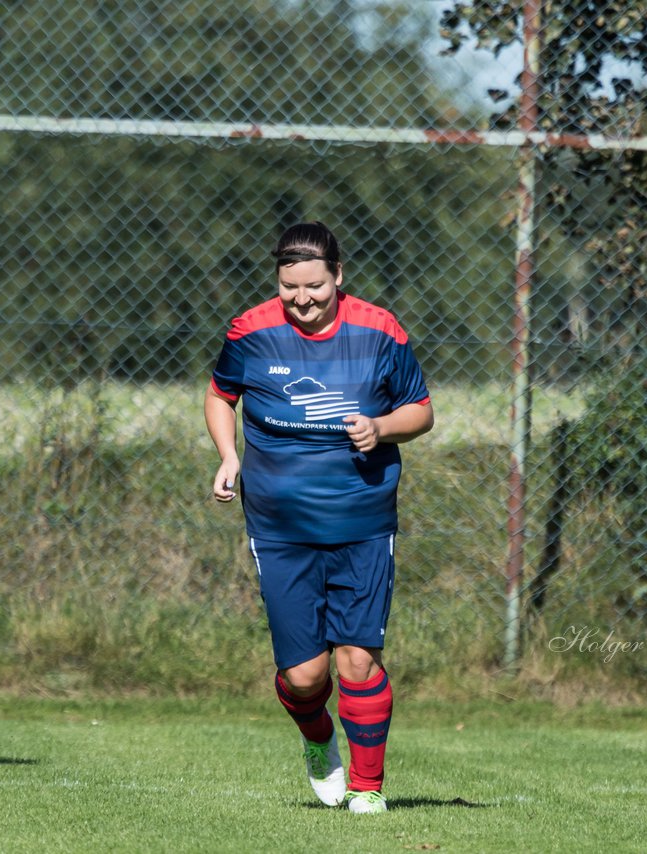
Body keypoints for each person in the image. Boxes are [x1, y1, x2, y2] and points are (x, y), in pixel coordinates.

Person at [205, 221, 433, 814]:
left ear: (338, 276)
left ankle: (367, 789)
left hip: (362, 520)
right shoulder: (250, 331)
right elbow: (220, 393)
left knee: (358, 658)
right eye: (289, 288)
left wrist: (381, 427)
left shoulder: (381, 329)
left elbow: (422, 409)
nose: (302, 299)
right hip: (279, 528)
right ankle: (316, 742)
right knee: (305, 678)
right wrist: (230, 457)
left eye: (314, 286)